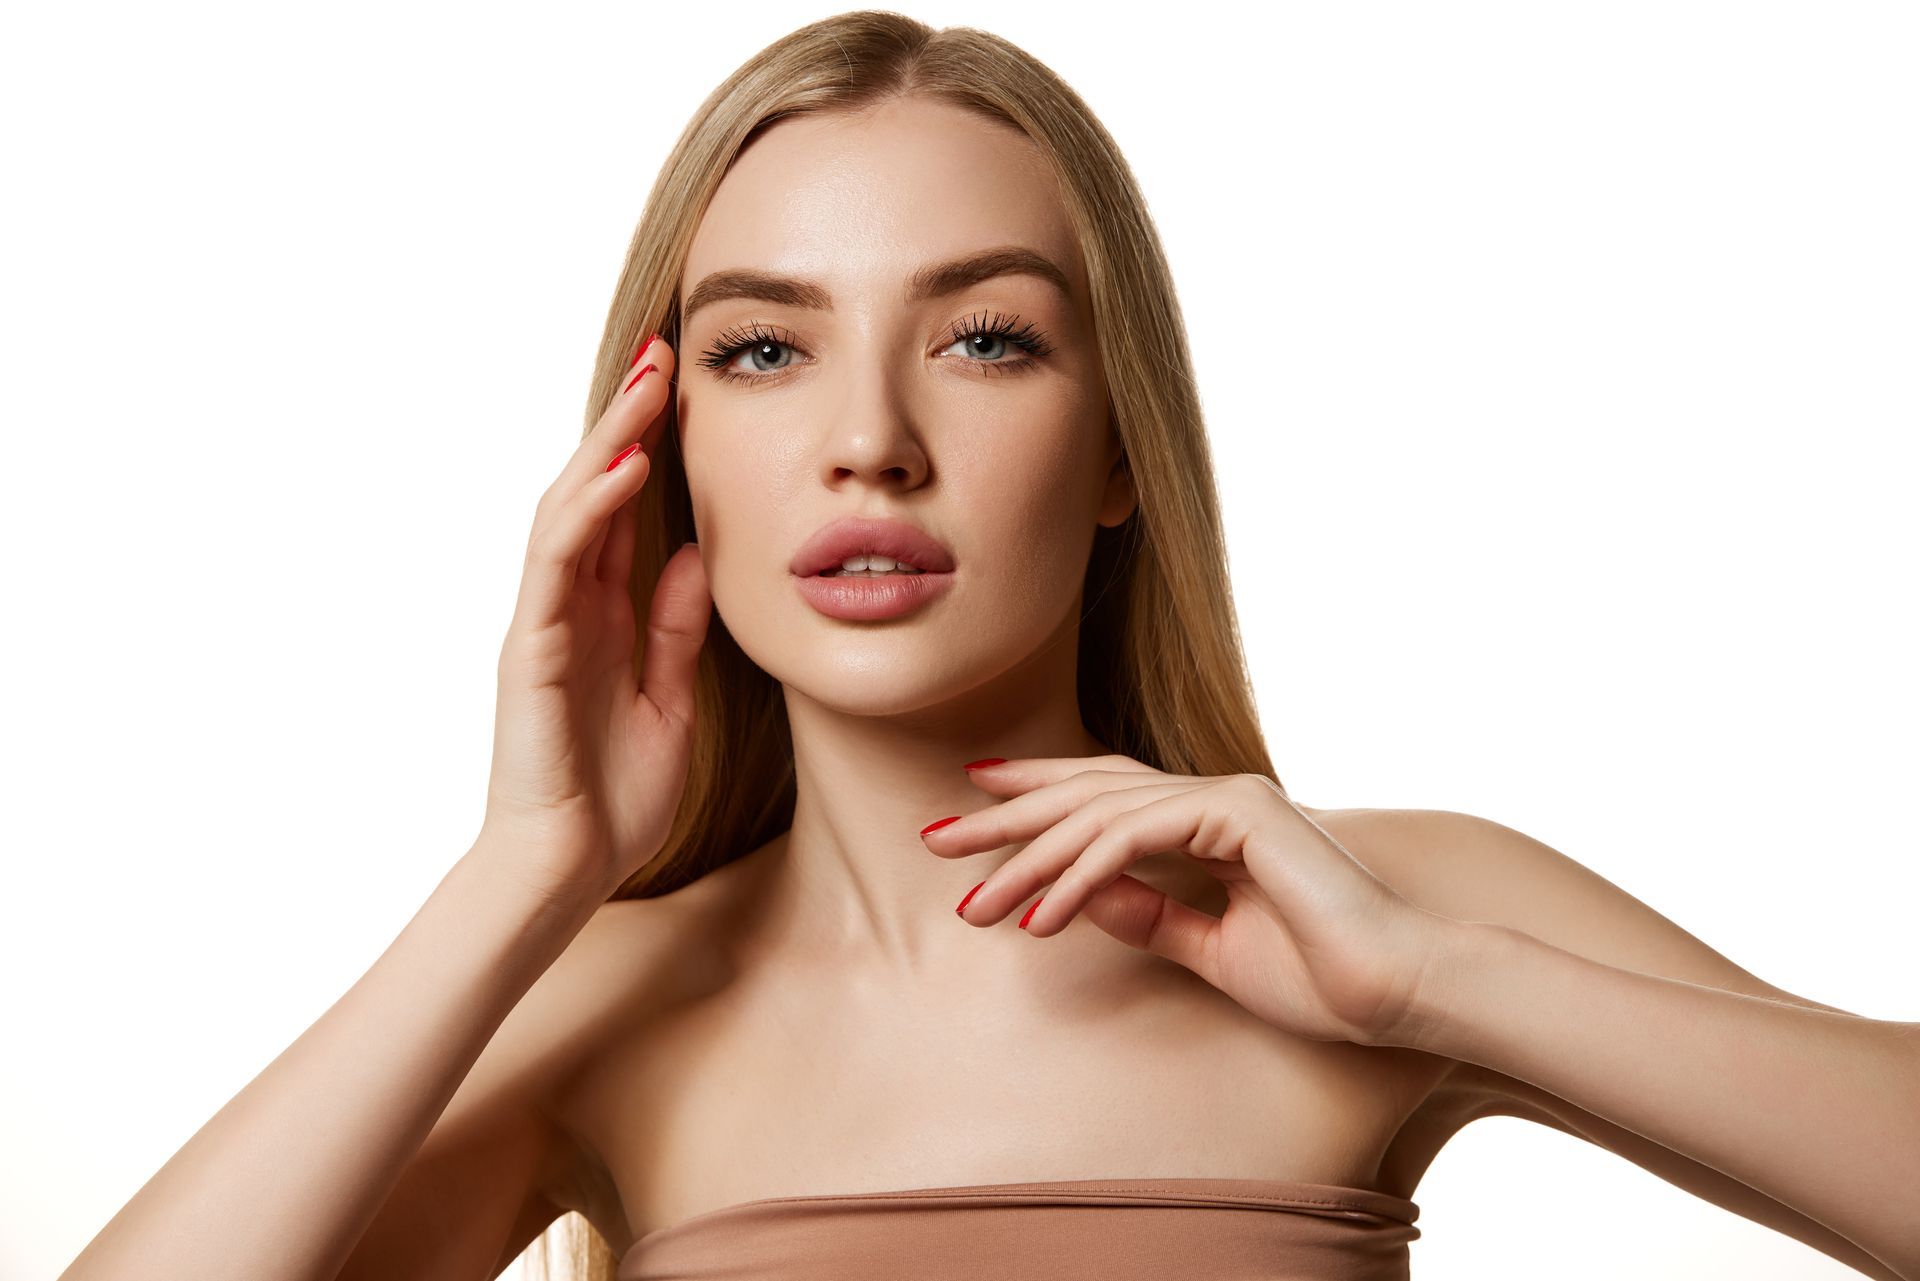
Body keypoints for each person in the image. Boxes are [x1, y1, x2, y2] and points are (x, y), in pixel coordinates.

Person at [57, 11, 1919, 1281]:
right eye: (764, 349)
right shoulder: (600, 1001)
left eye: (988, 337)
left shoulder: (1394, 907)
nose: (868, 434)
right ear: (666, 452)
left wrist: (1433, 988)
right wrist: (522, 872)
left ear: (1123, 449)